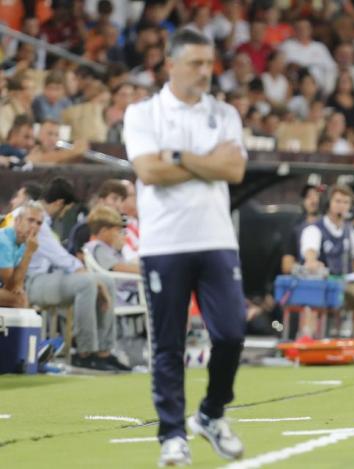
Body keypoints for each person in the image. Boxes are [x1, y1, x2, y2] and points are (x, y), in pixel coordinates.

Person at [123, 28, 247, 466]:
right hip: (164, 243)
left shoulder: (225, 113)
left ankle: (211, 413)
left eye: (208, 62)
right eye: (194, 63)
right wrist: (205, 163)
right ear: (170, 64)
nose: (204, 71)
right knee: (168, 345)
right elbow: (148, 172)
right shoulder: (143, 113)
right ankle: (172, 435)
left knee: (232, 333)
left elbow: (233, 169)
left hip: (216, 240)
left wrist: (177, 157)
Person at [25, 178, 125, 372]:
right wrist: (87, 274)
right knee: (87, 282)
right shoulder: (38, 222)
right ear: (60, 204)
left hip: (50, 278)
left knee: (106, 280)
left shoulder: (45, 222)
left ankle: (103, 352)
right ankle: (84, 353)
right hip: (32, 282)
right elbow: (61, 257)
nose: (64, 214)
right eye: (65, 210)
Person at [300, 184, 354, 337]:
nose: (342, 206)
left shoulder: (348, 230)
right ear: (328, 203)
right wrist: (312, 262)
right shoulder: (314, 229)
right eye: (338, 201)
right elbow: (310, 254)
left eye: (346, 202)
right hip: (325, 283)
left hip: (344, 281)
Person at [0, 202, 43, 308]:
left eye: (39, 223)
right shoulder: (4, 241)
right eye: (30, 220)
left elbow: (17, 284)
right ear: (17, 221)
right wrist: (29, 252)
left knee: (20, 299)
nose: (34, 226)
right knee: (19, 301)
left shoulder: (22, 244)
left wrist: (18, 288)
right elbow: (10, 285)